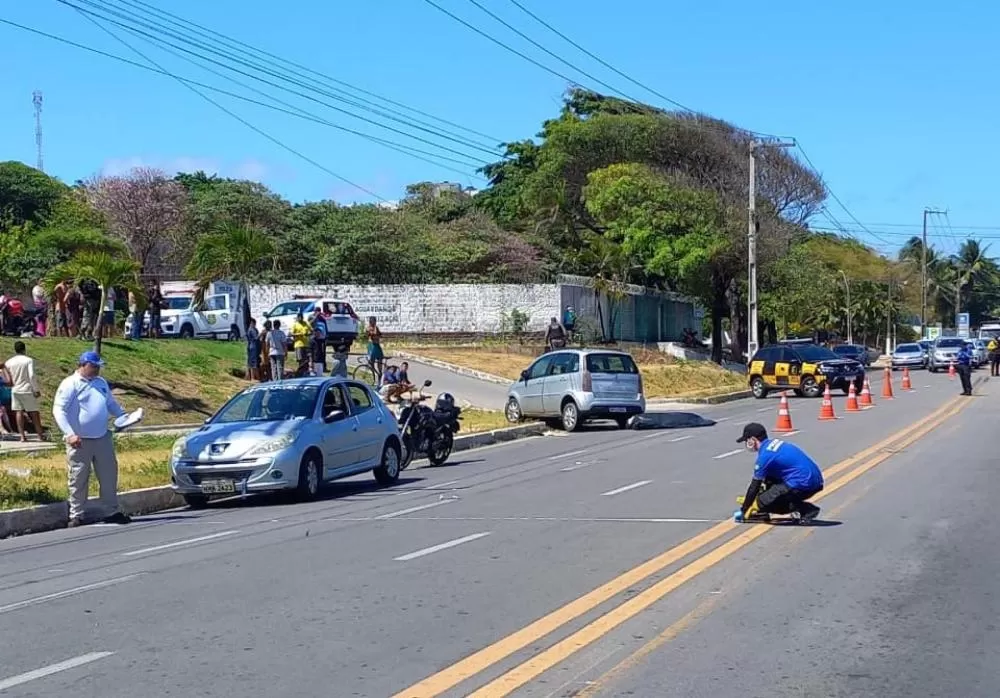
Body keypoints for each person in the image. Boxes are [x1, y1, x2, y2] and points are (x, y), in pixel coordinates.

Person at [52, 351, 132, 527]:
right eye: (94, 366)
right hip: (79, 440)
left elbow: (110, 404)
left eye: (98, 367)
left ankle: (111, 511)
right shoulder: (70, 384)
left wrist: (123, 416)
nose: (97, 370)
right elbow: (59, 410)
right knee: (78, 477)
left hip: (102, 437)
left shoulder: (100, 383)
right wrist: (69, 434)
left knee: (109, 475)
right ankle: (76, 514)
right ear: (83, 365)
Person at [734, 422, 823, 523]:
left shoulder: (764, 457)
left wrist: (744, 509)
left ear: (753, 440)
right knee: (769, 487)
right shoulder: (775, 444)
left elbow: (754, 486)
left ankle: (807, 509)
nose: (746, 443)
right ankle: (796, 507)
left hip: (803, 482)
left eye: (747, 440)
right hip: (815, 479)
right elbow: (768, 479)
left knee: (764, 502)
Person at [4, 342, 45, 442]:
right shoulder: (28, 360)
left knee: (19, 412)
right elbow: (31, 376)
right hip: (27, 389)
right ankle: (40, 435)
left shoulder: (9, 362)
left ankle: (22, 436)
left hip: (15, 390)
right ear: (24, 349)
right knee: (34, 413)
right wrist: (36, 389)